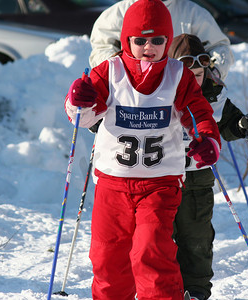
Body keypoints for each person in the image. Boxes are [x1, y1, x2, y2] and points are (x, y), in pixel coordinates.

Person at [64, 1, 221, 299]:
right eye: (140, 40)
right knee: (108, 259)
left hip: (159, 183)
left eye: (158, 40)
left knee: (150, 252)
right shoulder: (109, 72)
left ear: (167, 40)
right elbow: (83, 117)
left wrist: (207, 140)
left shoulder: (177, 75)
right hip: (113, 183)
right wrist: (78, 100)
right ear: (127, 41)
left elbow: (198, 113)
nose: (149, 47)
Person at [168, 33, 248, 300]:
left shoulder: (214, 97)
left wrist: (245, 125)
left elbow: (231, 125)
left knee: (196, 239)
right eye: (187, 73)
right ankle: (164, 290)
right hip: (160, 178)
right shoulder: (158, 93)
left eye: (198, 74)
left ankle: (196, 291)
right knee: (160, 239)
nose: (193, 80)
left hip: (197, 181)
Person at [88, 0, 234, 82]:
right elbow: (102, 47)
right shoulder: (118, 13)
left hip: (182, 101)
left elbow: (219, 47)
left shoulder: (193, 13)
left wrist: (211, 75)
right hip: (129, 98)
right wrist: (118, 72)